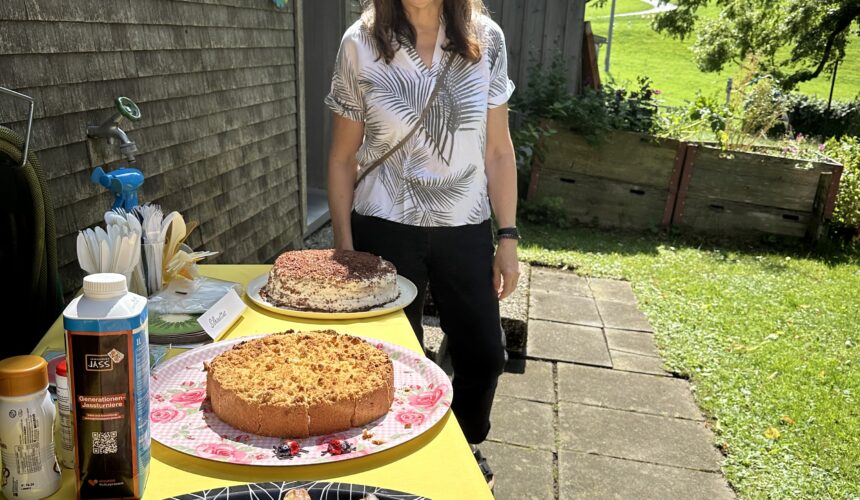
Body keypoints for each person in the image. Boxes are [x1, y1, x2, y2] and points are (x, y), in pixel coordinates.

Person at [325, 0, 519, 488]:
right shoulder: (359, 42)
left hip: (465, 225)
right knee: (394, 355)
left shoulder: (486, 39)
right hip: (384, 228)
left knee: (483, 352)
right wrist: (346, 248)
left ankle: (463, 439)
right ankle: (398, 455)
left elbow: (498, 149)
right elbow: (343, 158)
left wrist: (508, 236)